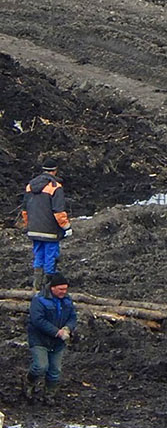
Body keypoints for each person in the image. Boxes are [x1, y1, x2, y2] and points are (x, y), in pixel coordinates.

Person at [23, 273, 77, 406]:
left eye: (65, 289)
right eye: (61, 289)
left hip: (58, 342)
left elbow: (72, 317)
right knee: (40, 366)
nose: (64, 292)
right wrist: (57, 332)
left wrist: (68, 328)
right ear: (52, 288)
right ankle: (28, 383)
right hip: (39, 339)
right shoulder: (39, 300)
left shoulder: (67, 300)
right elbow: (38, 320)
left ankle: (49, 395)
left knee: (55, 371)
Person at [20, 157, 72, 291]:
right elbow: (58, 212)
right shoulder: (55, 187)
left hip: (33, 229)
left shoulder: (30, 185)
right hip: (50, 230)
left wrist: (28, 225)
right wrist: (66, 227)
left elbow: (25, 210)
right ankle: (48, 285)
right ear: (55, 171)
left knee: (38, 255)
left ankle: (37, 285)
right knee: (51, 256)